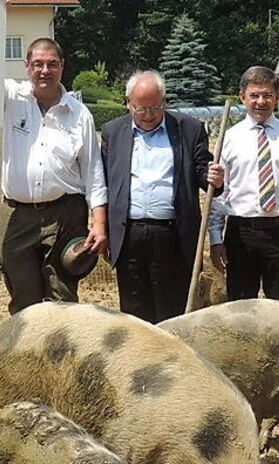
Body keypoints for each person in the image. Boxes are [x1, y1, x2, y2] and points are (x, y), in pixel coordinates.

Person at [100, 70, 223, 323]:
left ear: (165, 101)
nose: (148, 115)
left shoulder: (188, 129)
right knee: (134, 314)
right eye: (140, 109)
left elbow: (203, 173)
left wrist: (214, 178)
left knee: (173, 312)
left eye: (155, 108)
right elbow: (103, 182)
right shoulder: (113, 132)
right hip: (128, 235)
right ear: (128, 103)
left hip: (173, 236)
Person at [1, 37, 108, 315]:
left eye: (52, 64)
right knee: (23, 300)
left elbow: (93, 172)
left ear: (62, 67)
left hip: (65, 216)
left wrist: (99, 223)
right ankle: (26, 357)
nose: (44, 71)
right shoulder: (9, 99)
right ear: (26, 67)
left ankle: (61, 357)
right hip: (17, 216)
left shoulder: (79, 114)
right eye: (38, 64)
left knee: (62, 299)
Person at [209, 65, 279, 301]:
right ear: (242, 97)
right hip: (240, 234)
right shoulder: (229, 138)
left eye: (267, 95)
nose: (260, 101)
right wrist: (216, 238)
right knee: (241, 310)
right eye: (254, 95)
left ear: (277, 97)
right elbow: (219, 193)